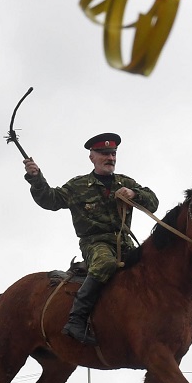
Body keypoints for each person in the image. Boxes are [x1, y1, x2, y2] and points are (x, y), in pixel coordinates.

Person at [23, 133, 159, 345]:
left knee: (153, 268)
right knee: (105, 263)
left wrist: (134, 194)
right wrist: (36, 177)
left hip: (124, 243)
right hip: (95, 243)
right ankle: (76, 319)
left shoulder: (125, 182)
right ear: (92, 157)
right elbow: (50, 200)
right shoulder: (78, 186)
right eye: (104, 154)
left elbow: (153, 202)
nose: (110, 158)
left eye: (113, 154)